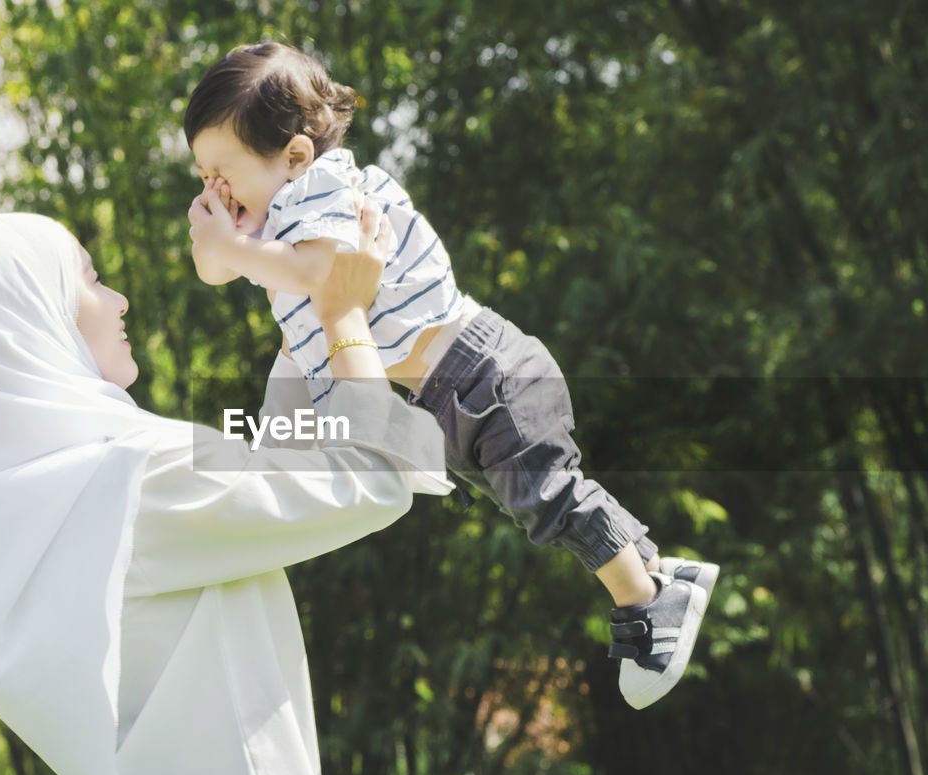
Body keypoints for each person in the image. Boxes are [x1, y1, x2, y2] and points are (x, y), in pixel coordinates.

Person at [0, 209, 451, 775]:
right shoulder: (134, 477)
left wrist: (301, 335)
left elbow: (273, 470)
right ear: (28, 319)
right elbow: (366, 478)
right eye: (91, 281)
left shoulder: (68, 490)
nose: (118, 300)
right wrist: (344, 317)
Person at [182, 41, 720, 709]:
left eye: (223, 172)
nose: (214, 190)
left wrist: (234, 245)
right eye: (202, 176)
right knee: (538, 507)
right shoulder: (272, 229)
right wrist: (223, 237)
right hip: (445, 396)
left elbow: (320, 278)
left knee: (549, 498)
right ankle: (667, 573)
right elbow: (216, 268)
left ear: (293, 156)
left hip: (483, 372)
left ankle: (647, 602)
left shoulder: (325, 192)